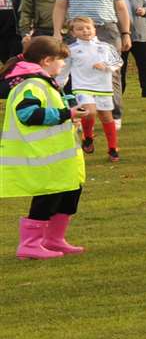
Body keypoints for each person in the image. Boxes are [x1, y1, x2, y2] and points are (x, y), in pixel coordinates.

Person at [3, 35, 85, 258]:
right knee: (47, 197)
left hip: (59, 156)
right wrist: (66, 114)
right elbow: (28, 114)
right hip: (42, 155)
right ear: (47, 60)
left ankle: (54, 239)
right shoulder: (32, 84)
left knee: (70, 194)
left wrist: (70, 109)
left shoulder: (45, 81)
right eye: (61, 60)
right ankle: (29, 244)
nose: (63, 65)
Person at [61, 16, 121, 161]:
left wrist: (106, 67)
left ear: (94, 29)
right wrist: (58, 83)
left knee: (106, 116)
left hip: (103, 87)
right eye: (80, 29)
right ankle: (88, 136)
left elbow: (118, 62)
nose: (85, 31)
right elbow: (64, 69)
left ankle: (113, 148)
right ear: (73, 33)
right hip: (82, 86)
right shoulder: (71, 50)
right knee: (89, 112)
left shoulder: (106, 47)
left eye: (88, 28)